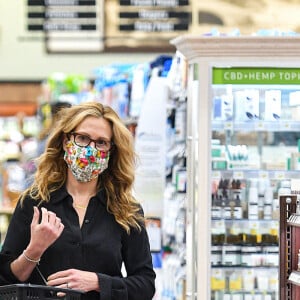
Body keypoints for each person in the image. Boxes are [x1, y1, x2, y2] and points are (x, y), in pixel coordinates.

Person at [0, 101, 156, 300]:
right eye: (82, 138)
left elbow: (145, 285)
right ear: (66, 142)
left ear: (110, 151)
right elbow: (5, 282)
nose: (90, 149)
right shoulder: (34, 203)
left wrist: (99, 282)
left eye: (101, 142)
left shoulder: (126, 210)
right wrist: (34, 250)